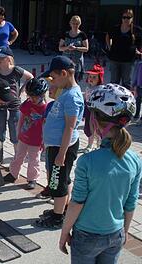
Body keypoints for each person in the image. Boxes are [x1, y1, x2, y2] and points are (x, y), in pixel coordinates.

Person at [59, 83, 141, 264]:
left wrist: (64, 233)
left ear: (95, 122)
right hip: (116, 233)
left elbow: (76, 203)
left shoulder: (87, 161)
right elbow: (130, 202)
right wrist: (125, 232)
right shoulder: (135, 160)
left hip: (87, 235)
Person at [34, 56, 84, 228]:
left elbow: (70, 127)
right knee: (63, 179)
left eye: (54, 78)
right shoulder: (66, 91)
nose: (52, 82)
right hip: (56, 146)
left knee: (57, 183)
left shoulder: (72, 97)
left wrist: (61, 154)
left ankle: (57, 218)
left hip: (62, 148)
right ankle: (62, 209)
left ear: (64, 73)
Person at [0, 46, 33, 159]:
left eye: (1, 58)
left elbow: (30, 77)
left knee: (15, 130)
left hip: (14, 105)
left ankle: (17, 157)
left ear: (8, 59)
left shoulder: (16, 70)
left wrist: (22, 90)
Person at [3, 78, 48, 190]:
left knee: (34, 160)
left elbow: (46, 126)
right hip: (24, 137)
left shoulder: (45, 108)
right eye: (30, 96)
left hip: (36, 141)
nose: (32, 99)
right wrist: (18, 132)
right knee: (18, 156)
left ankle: (32, 179)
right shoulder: (27, 104)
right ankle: (13, 174)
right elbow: (22, 118)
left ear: (42, 95)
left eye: (35, 97)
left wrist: (44, 141)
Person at [36, 78, 63, 199]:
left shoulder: (63, 107)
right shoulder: (50, 105)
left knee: (58, 172)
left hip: (58, 144)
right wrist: (42, 138)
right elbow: (44, 123)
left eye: (53, 87)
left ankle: (58, 195)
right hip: (48, 143)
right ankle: (50, 187)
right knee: (48, 167)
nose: (49, 90)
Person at [106, 9, 142, 90]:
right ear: (121, 18)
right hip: (115, 59)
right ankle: (113, 101)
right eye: (124, 17)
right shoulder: (115, 28)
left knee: (126, 82)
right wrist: (109, 46)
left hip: (128, 61)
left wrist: (139, 51)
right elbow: (108, 36)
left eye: (128, 17)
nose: (126, 19)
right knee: (114, 82)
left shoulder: (136, 30)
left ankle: (126, 101)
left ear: (132, 18)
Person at [78, 63, 104, 153]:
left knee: (98, 129)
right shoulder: (88, 87)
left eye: (94, 77)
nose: (91, 79)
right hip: (89, 111)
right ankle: (89, 145)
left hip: (97, 112)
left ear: (99, 79)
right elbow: (85, 100)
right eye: (90, 77)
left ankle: (99, 145)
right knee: (89, 129)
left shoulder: (101, 89)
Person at [59, 15, 89, 82]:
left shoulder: (82, 35)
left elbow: (86, 49)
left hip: (77, 64)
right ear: (70, 24)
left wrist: (76, 48)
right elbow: (60, 48)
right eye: (73, 23)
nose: (75, 25)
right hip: (66, 63)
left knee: (75, 82)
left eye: (77, 24)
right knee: (65, 82)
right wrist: (67, 47)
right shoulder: (65, 34)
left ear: (79, 24)